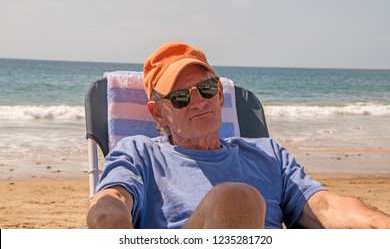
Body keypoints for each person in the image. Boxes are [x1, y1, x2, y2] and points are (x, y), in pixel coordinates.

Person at [87, 42, 390, 229]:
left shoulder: (267, 154)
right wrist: (112, 225)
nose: (198, 101)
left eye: (206, 89)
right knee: (236, 198)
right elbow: (112, 199)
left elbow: (324, 207)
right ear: (158, 113)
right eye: (181, 97)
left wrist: (381, 226)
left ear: (220, 95)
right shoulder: (140, 153)